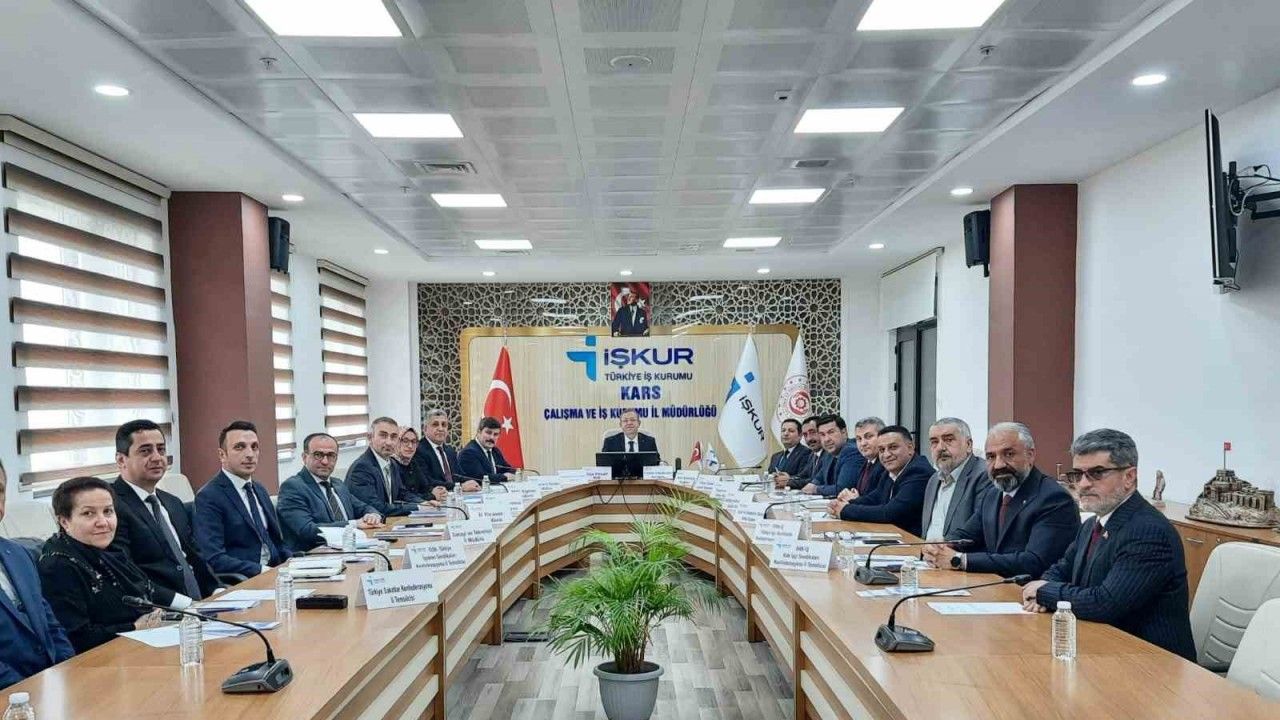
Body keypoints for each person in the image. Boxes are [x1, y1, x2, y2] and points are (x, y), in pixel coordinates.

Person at [1021, 429, 1196, 661]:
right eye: (1078, 474)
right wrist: (1042, 590)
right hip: (1104, 649)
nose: (1083, 484)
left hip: (1152, 664)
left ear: (1129, 477)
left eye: (1097, 473)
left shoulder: (1148, 531)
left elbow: (1106, 602)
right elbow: (1061, 569)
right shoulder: (1092, 524)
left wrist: (1044, 592)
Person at [39, 477, 179, 653]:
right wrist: (135, 627)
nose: (103, 522)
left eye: (108, 511)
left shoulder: (109, 550)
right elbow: (78, 637)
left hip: (138, 647)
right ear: (64, 521)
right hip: (100, 660)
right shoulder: (58, 566)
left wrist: (193, 606)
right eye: (88, 513)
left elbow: (146, 587)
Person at [924, 422, 1078, 578]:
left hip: (1028, 589)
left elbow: (1034, 562)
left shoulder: (1054, 498)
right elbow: (967, 536)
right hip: (993, 585)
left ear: (1030, 455)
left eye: (1009, 454)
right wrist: (940, 546)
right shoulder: (993, 494)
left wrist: (960, 560)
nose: (998, 465)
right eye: (991, 457)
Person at [109, 420, 219, 602]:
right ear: (121, 460)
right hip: (163, 609)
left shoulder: (172, 502)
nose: (157, 458)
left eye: (161, 449)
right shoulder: (111, 507)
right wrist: (181, 603)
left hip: (203, 604)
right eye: (145, 451)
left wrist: (217, 590)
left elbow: (195, 556)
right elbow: (127, 573)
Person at [0, 460, 74, 684]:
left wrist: (69, 669)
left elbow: (50, 624)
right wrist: (27, 692)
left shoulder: (19, 554)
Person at [193, 420, 291, 578]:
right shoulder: (209, 496)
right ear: (222, 455)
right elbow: (214, 558)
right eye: (240, 447)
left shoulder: (259, 489)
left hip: (278, 573)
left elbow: (277, 543)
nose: (250, 454)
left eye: (254, 447)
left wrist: (294, 562)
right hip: (246, 579)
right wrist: (262, 571)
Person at [278, 433, 384, 553]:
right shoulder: (292, 487)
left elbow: (363, 507)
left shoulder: (338, 484)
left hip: (350, 551)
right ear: (304, 457)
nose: (325, 461)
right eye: (318, 455)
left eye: (331, 455)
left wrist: (373, 515)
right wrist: (353, 525)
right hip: (314, 556)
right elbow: (306, 530)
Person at [829, 425, 932, 537]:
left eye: (893, 447)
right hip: (893, 535)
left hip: (911, 541)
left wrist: (845, 510)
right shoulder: (891, 470)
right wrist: (843, 503)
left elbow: (891, 513)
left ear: (910, 448)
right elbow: (875, 498)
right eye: (882, 450)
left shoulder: (918, 472)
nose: (886, 455)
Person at [917, 418, 990, 542]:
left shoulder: (983, 475)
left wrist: (943, 548)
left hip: (957, 552)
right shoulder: (934, 480)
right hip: (925, 551)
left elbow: (978, 531)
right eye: (934, 442)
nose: (940, 448)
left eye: (949, 440)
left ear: (968, 445)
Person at [347, 417, 425, 517]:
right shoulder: (361, 468)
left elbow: (402, 493)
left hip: (390, 521)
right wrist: (418, 507)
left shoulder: (392, 463)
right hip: (372, 524)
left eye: (393, 437)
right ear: (370, 437)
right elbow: (376, 507)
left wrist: (423, 503)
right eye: (383, 436)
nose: (389, 442)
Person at [413, 409, 475, 501]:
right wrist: (460, 486)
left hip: (455, 498)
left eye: (444, 425)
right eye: (435, 424)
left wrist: (472, 482)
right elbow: (428, 481)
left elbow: (458, 475)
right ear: (425, 429)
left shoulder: (450, 450)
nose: (441, 429)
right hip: (435, 501)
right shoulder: (418, 450)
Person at [802, 415, 865, 498]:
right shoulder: (829, 453)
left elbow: (842, 489)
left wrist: (815, 489)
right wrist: (812, 484)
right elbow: (819, 478)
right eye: (822, 434)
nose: (826, 439)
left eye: (831, 432)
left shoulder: (852, 451)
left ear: (844, 432)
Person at [459, 416, 518, 485]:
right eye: (488, 433)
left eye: (495, 434)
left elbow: (508, 469)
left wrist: (512, 473)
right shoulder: (468, 452)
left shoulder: (495, 451)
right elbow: (480, 477)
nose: (491, 437)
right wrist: (504, 477)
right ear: (479, 432)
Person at [774, 416, 821, 490]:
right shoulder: (813, 455)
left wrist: (788, 481)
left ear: (800, 436)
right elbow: (802, 476)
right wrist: (788, 478)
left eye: (791, 431)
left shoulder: (807, 453)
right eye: (783, 430)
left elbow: (813, 480)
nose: (786, 434)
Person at [395, 426, 430, 497]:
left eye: (414, 441)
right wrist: (432, 496)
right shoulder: (391, 465)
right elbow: (403, 496)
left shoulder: (413, 463)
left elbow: (425, 487)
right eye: (405, 441)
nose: (410, 446)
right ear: (396, 442)